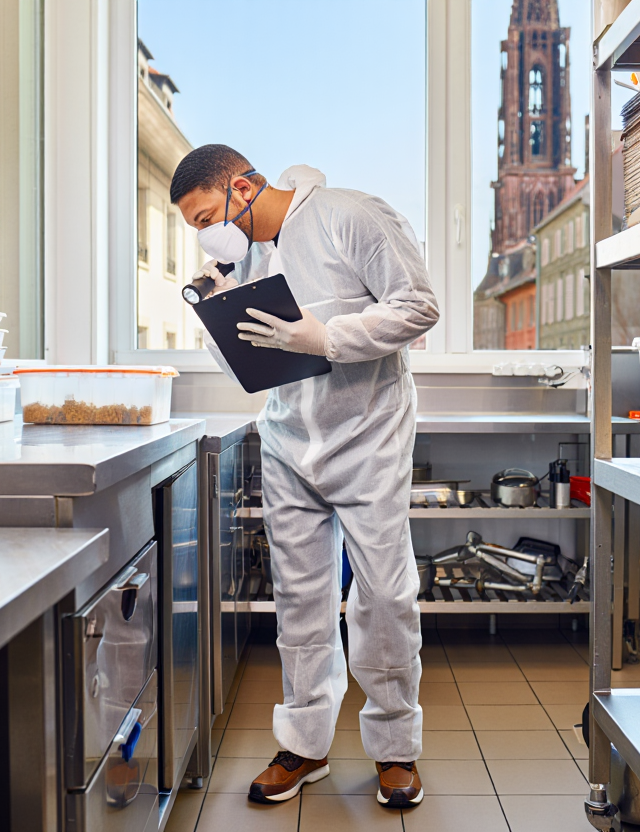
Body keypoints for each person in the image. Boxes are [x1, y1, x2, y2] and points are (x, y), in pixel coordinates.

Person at [171, 145, 439, 808]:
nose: (208, 232)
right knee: (300, 600)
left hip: (368, 435)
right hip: (290, 439)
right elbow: (250, 361)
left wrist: (326, 338)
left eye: (207, 215)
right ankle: (305, 745)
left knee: (383, 596)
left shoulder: (353, 216)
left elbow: (418, 307)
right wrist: (217, 307)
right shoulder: (249, 259)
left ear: (240, 187)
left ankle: (395, 748)